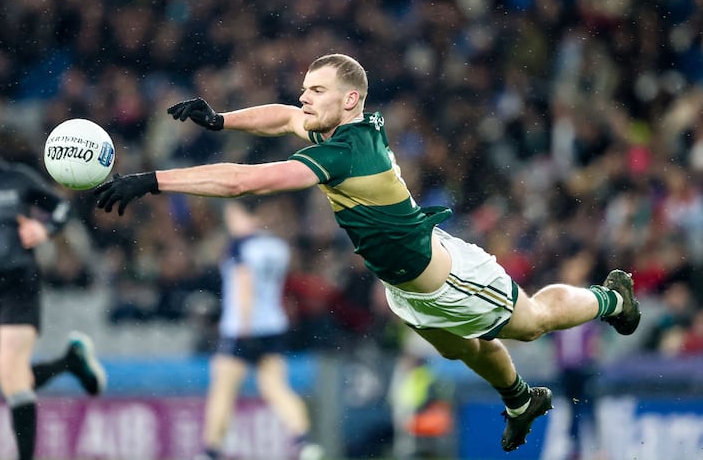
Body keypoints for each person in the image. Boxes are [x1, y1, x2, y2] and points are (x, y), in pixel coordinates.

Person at [94, 54, 641, 452]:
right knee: (463, 350)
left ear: (350, 98)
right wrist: (221, 119)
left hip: (446, 276)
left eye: (316, 89)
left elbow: (244, 182)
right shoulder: (333, 126)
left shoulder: (347, 151)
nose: (304, 97)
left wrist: (153, 180)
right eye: (305, 88)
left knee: (531, 322)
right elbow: (284, 116)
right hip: (405, 285)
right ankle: (523, 400)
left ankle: (610, 298)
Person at [0, 116, 107, 460]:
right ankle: (69, 363)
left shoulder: (17, 179)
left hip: (17, 281)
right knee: (15, 383)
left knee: (15, 378)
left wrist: (45, 231)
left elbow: (62, 208)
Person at [194, 200, 323, 460]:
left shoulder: (240, 246)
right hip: (272, 326)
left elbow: (244, 286)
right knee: (275, 387)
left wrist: (243, 327)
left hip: (242, 328)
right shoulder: (277, 247)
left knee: (223, 391)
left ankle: (210, 451)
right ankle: (304, 442)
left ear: (241, 214)